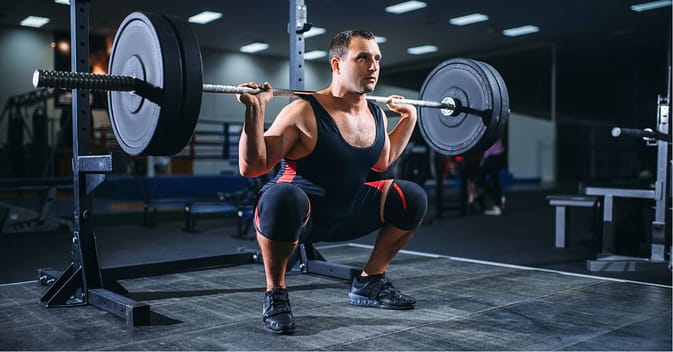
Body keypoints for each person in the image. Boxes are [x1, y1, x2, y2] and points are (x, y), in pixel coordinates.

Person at [236, 30, 427, 335]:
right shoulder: (303, 111)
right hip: (299, 216)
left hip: (346, 212)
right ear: (337, 65)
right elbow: (252, 166)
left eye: (376, 58)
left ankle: (369, 281)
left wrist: (410, 120)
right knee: (282, 198)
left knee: (411, 197)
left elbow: (382, 160)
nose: (373, 66)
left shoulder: (376, 114)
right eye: (362, 57)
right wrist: (255, 111)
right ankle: (276, 294)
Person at [477, 137, 506, 216]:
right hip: (499, 154)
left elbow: (489, 146)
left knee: (479, 178)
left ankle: (497, 202)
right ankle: (498, 201)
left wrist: (482, 161)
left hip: (493, 156)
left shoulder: (488, 129)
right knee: (495, 180)